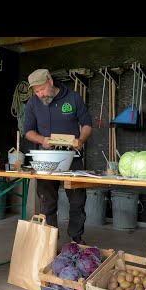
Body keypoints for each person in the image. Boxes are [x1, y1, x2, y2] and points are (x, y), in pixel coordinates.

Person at [23, 68, 92, 244]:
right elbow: (28, 132)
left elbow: (86, 124)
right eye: (36, 91)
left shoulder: (73, 98)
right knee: (47, 202)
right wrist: (42, 140)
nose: (40, 94)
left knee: (77, 201)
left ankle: (76, 239)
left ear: (50, 81)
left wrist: (81, 140)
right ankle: (50, 240)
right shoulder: (32, 103)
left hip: (73, 157)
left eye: (42, 89)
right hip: (46, 159)